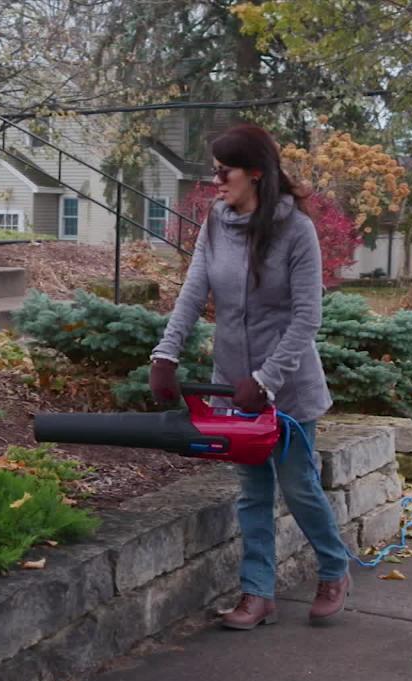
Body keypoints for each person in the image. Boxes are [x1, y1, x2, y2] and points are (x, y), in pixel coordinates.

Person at [148, 124, 350, 629]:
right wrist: (165, 356)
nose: (215, 180)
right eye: (213, 171)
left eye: (223, 171)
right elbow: (194, 293)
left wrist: (266, 379)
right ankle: (257, 594)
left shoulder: (294, 230)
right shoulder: (216, 223)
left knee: (298, 486)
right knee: (251, 492)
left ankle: (334, 568)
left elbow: (307, 317)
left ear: (256, 173)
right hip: (232, 387)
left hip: (287, 390)